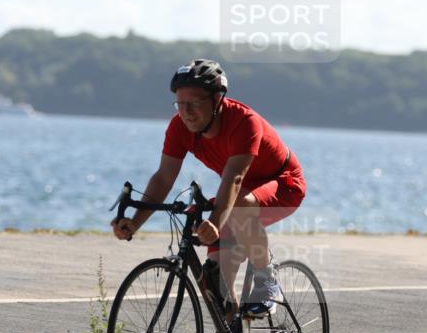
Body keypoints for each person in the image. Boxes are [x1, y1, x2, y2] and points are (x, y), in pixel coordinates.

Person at [110, 58, 306, 319]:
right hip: (240, 192)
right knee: (214, 286)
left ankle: (266, 278)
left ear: (217, 100)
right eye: (180, 104)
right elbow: (164, 177)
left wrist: (214, 221)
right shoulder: (180, 127)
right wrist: (135, 222)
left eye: (194, 103)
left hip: (284, 184)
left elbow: (234, 178)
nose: (186, 111)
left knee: (237, 207)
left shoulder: (244, 122)